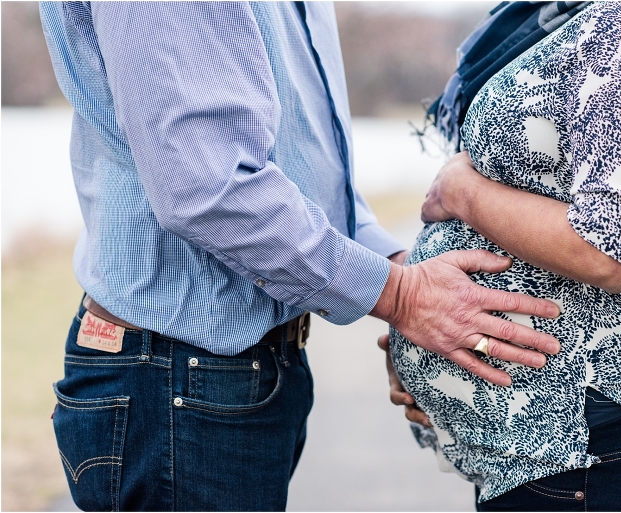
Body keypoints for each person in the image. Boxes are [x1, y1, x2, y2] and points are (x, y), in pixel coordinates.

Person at [39, 2, 564, 511]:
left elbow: (305, 164)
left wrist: (406, 271)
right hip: (176, 377)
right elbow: (209, 188)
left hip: (240, 374)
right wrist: (403, 297)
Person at [384, 1, 621, 511]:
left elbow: (613, 249)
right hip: (547, 452)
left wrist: (464, 194)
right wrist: (420, 309)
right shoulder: (558, 17)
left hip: (590, 445)